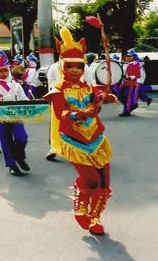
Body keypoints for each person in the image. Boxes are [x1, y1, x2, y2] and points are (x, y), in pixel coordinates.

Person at [43, 28, 115, 236]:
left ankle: (95, 218)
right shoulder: (57, 89)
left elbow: (98, 93)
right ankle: (81, 205)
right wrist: (80, 115)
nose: (75, 70)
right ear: (63, 67)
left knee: (105, 180)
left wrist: (104, 96)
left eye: (79, 66)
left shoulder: (89, 86)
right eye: (70, 66)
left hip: (97, 138)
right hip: (74, 140)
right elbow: (61, 113)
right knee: (91, 180)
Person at [0, 55, 30, 176]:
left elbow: (24, 98)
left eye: (5, 70)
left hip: (16, 115)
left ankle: (19, 157)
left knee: (22, 138)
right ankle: (11, 165)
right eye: (0, 71)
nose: (3, 73)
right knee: (6, 140)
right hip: (0, 116)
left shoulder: (15, 84)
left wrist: (29, 104)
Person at [45, 59, 64, 161]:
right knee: (55, 124)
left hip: (78, 101)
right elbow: (51, 85)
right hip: (59, 99)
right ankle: (54, 148)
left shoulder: (84, 66)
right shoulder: (54, 67)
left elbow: (90, 83)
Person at [119, 49, 142, 117]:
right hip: (124, 83)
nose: (127, 57)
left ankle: (127, 111)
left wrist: (130, 77)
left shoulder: (135, 64)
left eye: (129, 56)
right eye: (126, 56)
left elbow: (138, 75)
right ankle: (132, 106)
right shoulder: (126, 64)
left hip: (131, 83)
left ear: (132, 57)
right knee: (120, 96)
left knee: (128, 98)